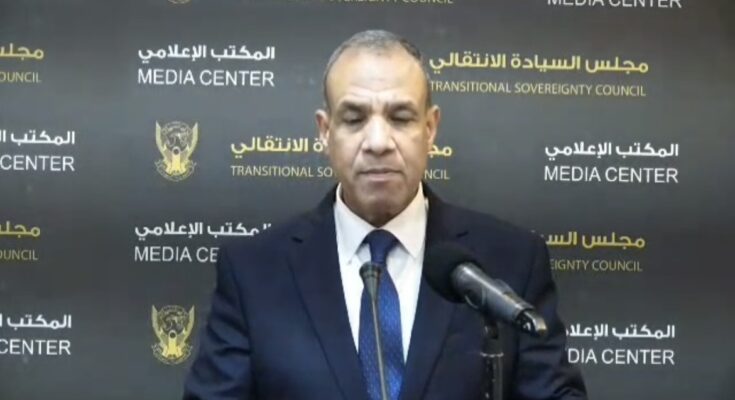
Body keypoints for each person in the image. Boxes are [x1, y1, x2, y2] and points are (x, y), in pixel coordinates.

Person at [183, 30, 587, 400]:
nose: (378, 142)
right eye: (354, 119)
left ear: (430, 128)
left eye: (400, 117)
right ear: (325, 132)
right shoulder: (254, 272)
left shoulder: (510, 261)